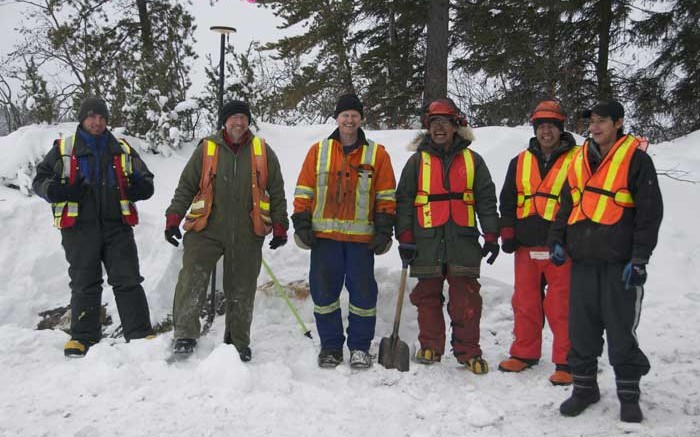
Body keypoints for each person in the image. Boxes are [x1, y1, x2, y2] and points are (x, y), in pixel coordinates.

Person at [548, 100, 663, 423]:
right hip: (583, 261)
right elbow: (566, 204)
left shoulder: (637, 160)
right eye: (592, 122)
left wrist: (640, 258)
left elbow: (649, 213)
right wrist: (556, 240)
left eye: (602, 121)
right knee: (581, 330)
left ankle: (629, 395)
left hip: (620, 264)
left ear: (619, 123)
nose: (595, 127)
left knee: (621, 331)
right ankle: (584, 389)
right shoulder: (579, 160)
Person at [165, 100, 289, 361]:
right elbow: (186, 186)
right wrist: (173, 217)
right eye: (234, 118)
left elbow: (276, 190)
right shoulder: (207, 148)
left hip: (247, 230)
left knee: (242, 287)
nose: (239, 123)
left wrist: (279, 225)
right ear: (225, 121)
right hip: (206, 227)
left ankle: (237, 340)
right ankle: (185, 334)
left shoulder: (262, 151)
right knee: (192, 278)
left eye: (243, 118)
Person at [33, 96, 154, 357]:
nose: (97, 122)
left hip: (117, 226)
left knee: (128, 279)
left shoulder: (121, 148)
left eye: (101, 117)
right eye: (91, 117)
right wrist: (57, 189)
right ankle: (83, 337)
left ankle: (140, 333)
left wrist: (141, 188)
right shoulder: (64, 148)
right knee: (84, 282)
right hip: (79, 228)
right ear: (82, 119)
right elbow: (40, 179)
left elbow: (146, 178)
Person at [395, 98, 499, 374]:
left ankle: (468, 351)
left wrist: (491, 234)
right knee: (427, 296)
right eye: (434, 123)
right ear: (428, 128)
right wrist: (404, 236)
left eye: (445, 122)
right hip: (425, 241)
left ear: (456, 126)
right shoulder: (416, 162)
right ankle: (430, 345)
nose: (439, 128)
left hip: (462, 241)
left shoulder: (473, 161)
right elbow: (404, 200)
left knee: (466, 298)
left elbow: (486, 200)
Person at [292, 93, 396, 369]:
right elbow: (304, 190)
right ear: (336, 118)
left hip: (361, 242)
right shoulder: (319, 151)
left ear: (361, 119)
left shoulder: (377, 154)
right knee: (324, 295)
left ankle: (360, 347)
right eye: (344, 115)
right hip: (324, 240)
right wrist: (301, 222)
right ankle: (330, 346)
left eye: (354, 115)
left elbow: (386, 196)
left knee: (363, 296)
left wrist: (385, 229)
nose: (349, 120)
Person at [497, 100, 578, 385]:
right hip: (526, 245)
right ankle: (524, 353)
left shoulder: (579, 159)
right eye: (541, 126)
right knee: (525, 302)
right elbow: (507, 200)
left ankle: (567, 361)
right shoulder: (519, 161)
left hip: (562, 247)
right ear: (535, 129)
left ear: (560, 129)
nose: (546, 132)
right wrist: (507, 231)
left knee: (562, 306)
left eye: (551, 126)